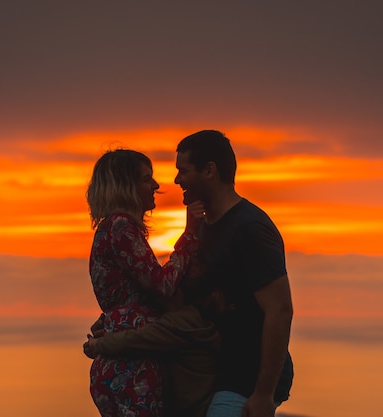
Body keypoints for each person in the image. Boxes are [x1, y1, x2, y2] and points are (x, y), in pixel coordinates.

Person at [174, 130, 294, 417]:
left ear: (210, 170)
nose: (177, 180)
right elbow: (179, 293)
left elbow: (280, 311)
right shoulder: (200, 228)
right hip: (215, 371)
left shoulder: (250, 228)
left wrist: (263, 394)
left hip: (245, 380)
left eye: (183, 171)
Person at [86, 149, 204, 417]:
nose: (156, 186)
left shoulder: (107, 229)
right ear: (125, 186)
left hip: (116, 360)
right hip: (133, 363)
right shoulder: (121, 227)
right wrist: (189, 237)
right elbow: (161, 285)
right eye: (145, 179)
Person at [83, 284, 221, 417]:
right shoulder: (186, 319)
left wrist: (97, 344)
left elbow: (134, 339)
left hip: (194, 411)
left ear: (179, 294)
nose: (158, 298)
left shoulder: (182, 321)